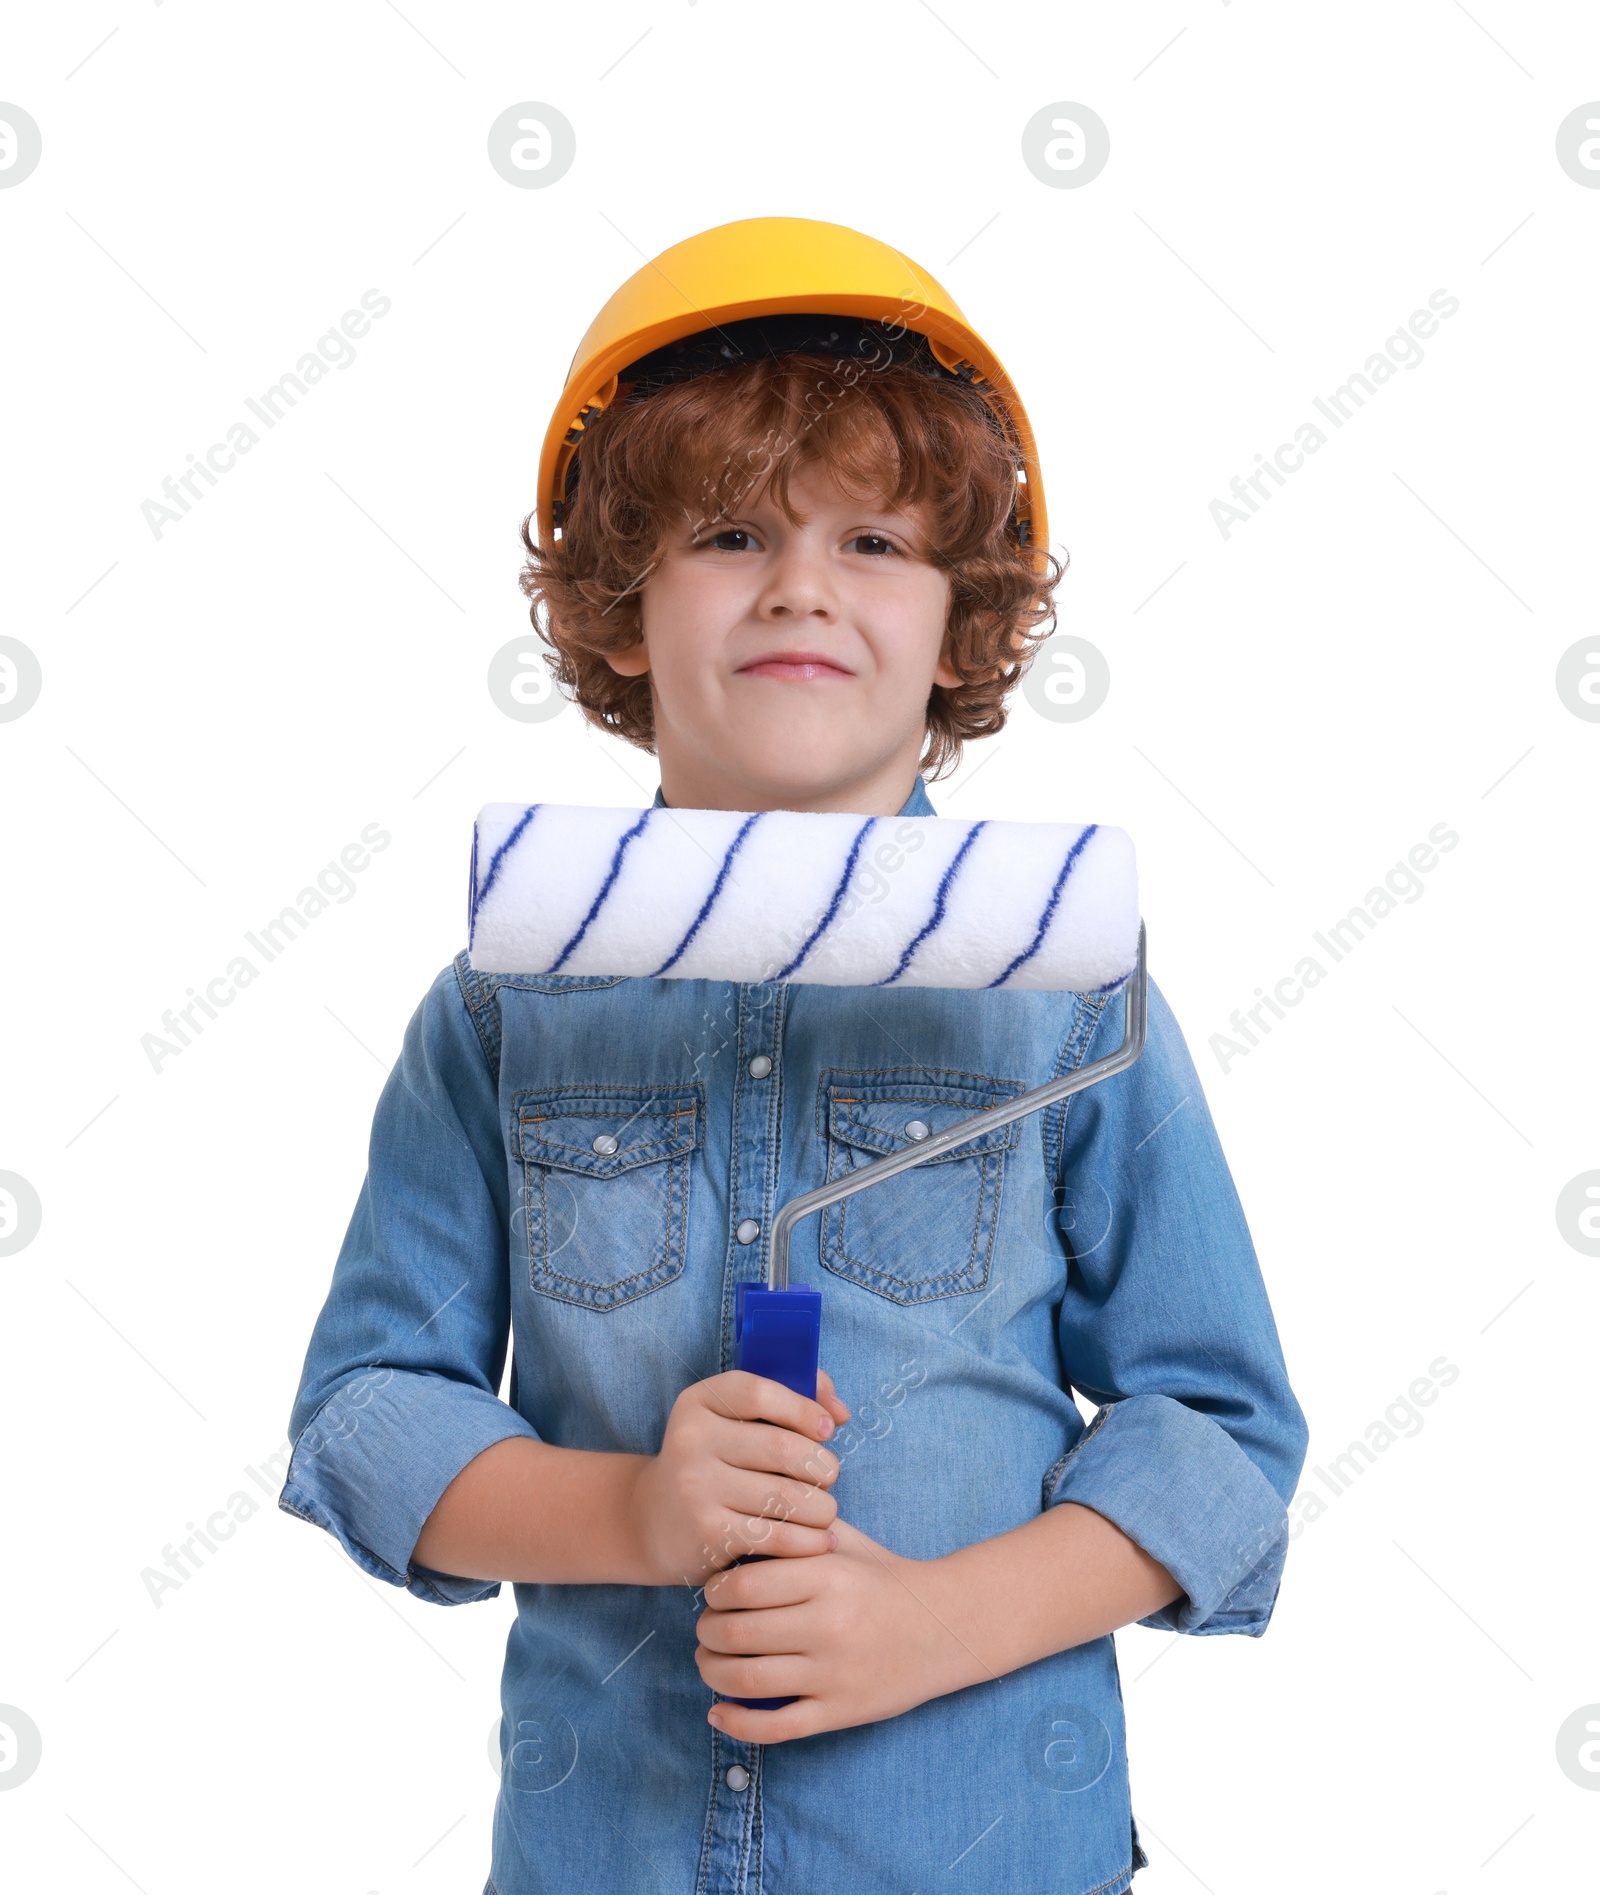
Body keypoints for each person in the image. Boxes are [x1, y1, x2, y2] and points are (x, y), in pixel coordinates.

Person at [280, 216, 1308, 1895]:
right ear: (618, 610)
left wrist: (922, 1625)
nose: (803, 585)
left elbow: (1219, 1428)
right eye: (732, 532)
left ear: (962, 629)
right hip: (607, 1854)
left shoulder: (1064, 996)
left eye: (878, 542)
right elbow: (370, 1412)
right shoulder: (504, 1004)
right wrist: (632, 1517)